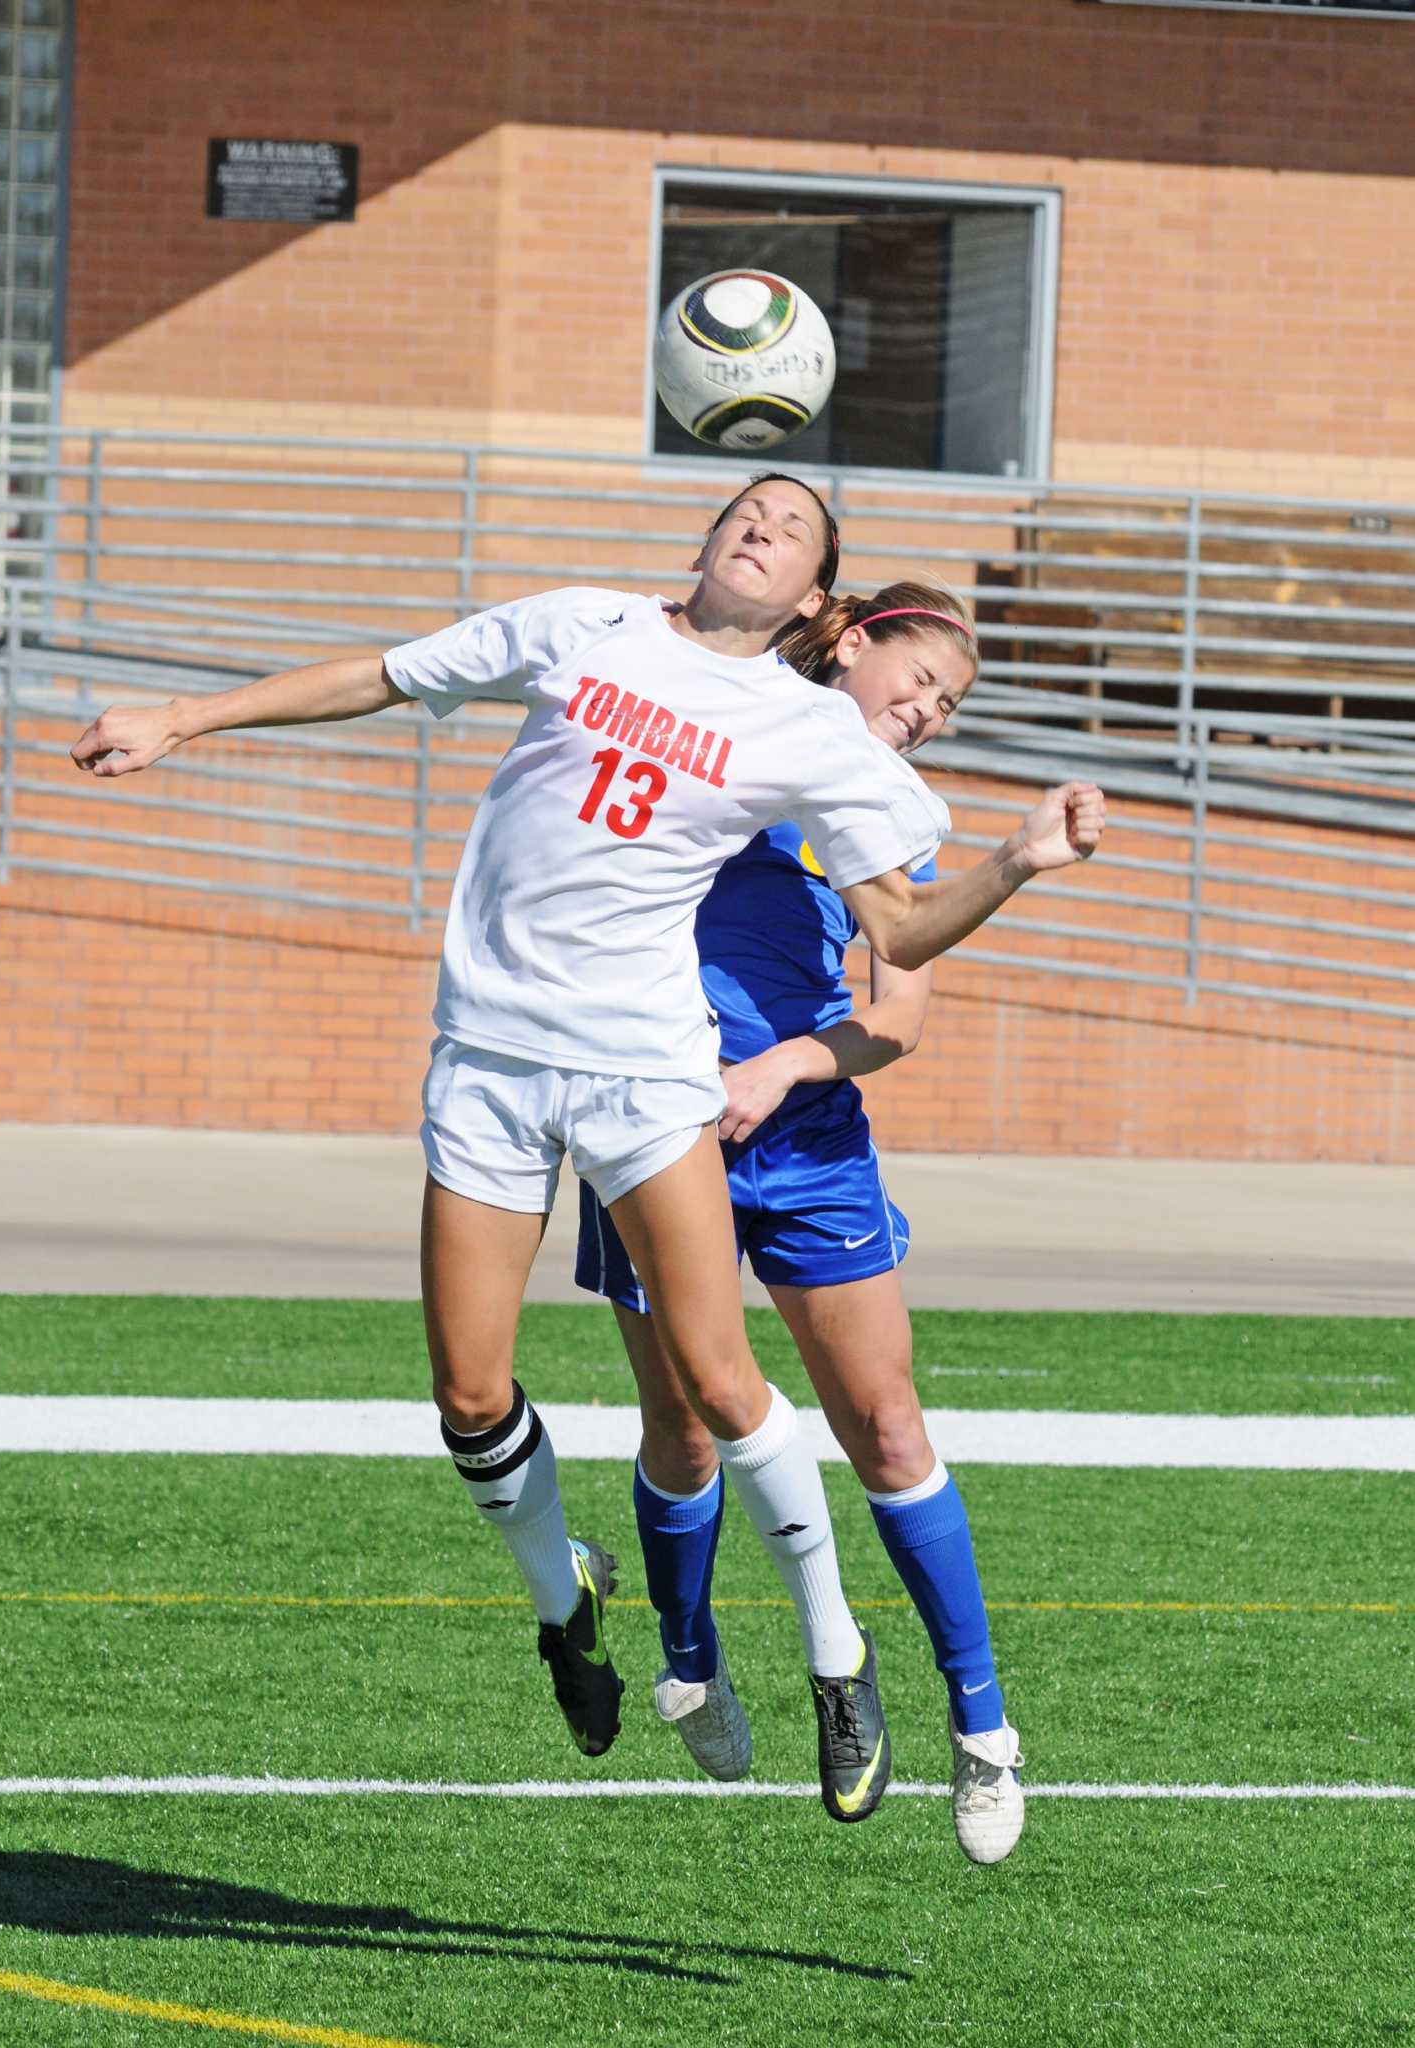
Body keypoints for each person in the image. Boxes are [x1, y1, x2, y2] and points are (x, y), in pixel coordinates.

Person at [70, 473, 1105, 1818]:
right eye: (749, 506)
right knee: (471, 1398)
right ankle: (574, 1610)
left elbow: (898, 946)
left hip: (642, 1076)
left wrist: (1016, 861)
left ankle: (844, 1663)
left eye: (793, 527)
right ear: (722, 544)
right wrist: (182, 717)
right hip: (489, 1061)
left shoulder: (805, 732)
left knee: (732, 1389)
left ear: (815, 594)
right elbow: (383, 674)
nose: (761, 526)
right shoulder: (582, 625)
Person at [576, 583, 1042, 1860]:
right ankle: (689, 1662)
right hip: (654, 1130)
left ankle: (984, 1728)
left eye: (951, 702)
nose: (932, 709)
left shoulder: (891, 821)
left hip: (807, 1142)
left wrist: (781, 1068)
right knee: (681, 1421)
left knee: (888, 1425)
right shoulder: (714, 735)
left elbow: (897, 1017)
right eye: (922, 676)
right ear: (852, 642)